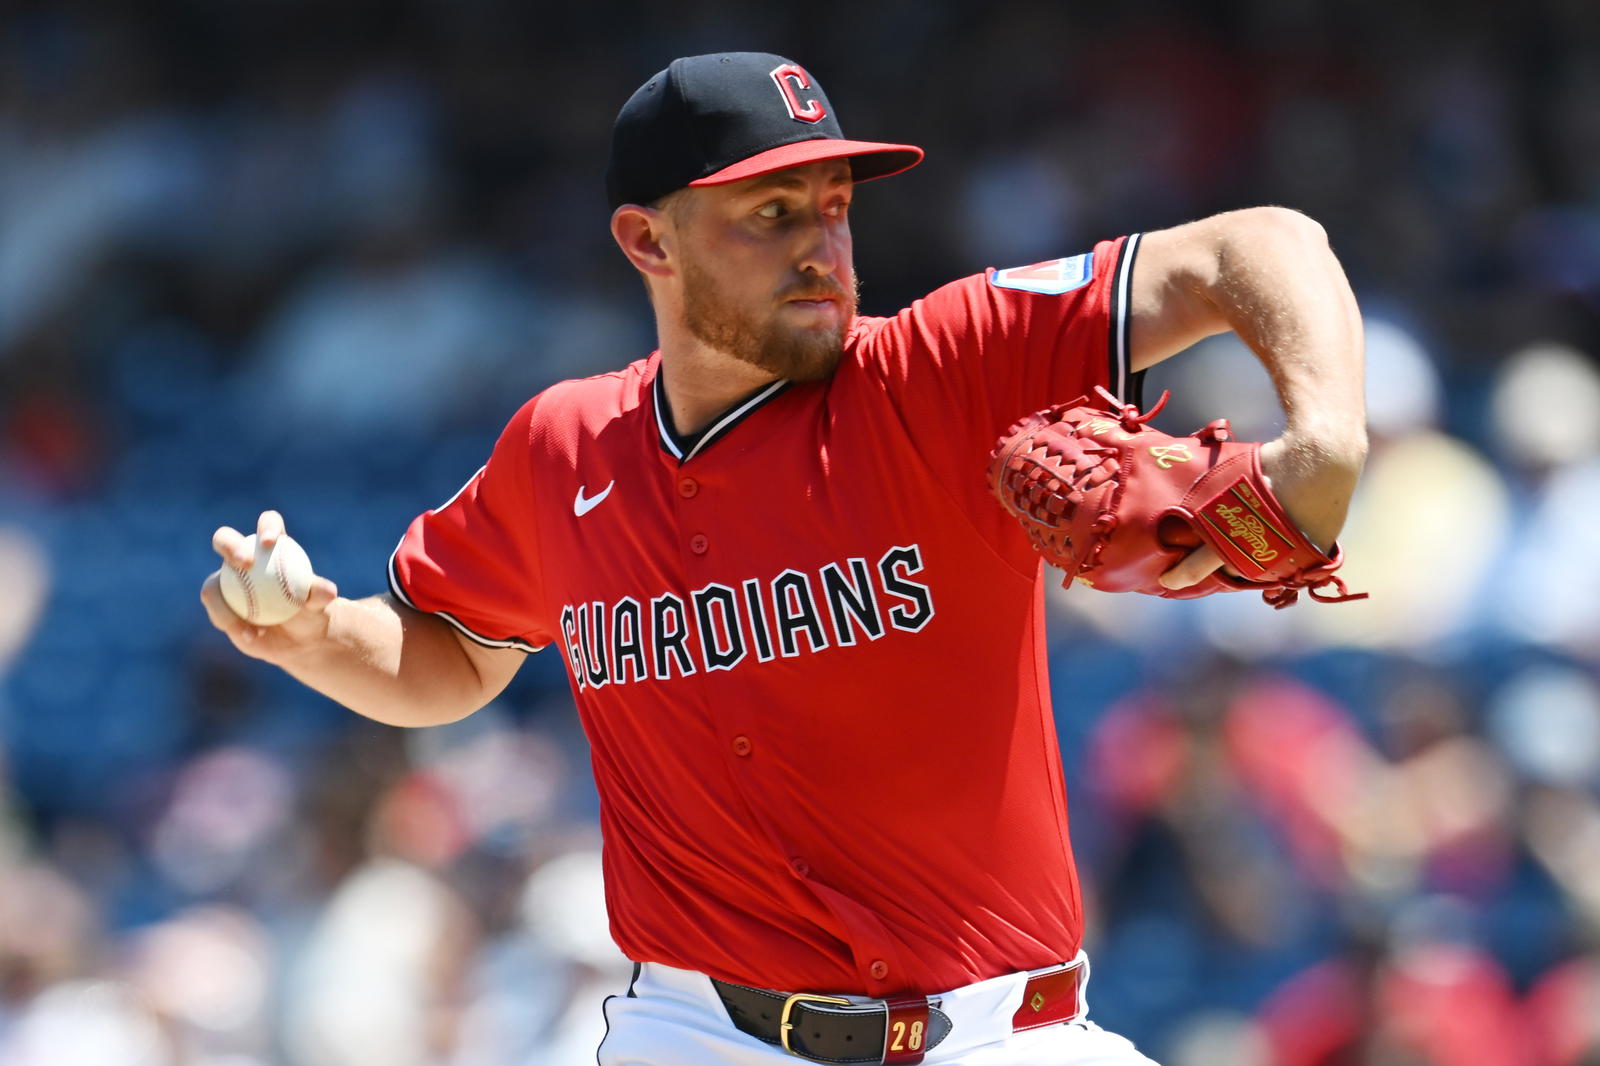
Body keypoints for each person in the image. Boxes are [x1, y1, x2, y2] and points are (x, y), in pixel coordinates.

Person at [200, 52, 1367, 1066]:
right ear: (646, 239)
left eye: (834, 205)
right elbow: (445, 657)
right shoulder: (561, 448)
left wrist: (1325, 438)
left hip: (998, 1030)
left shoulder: (939, 368)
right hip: (699, 1031)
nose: (822, 245)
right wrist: (310, 631)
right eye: (771, 213)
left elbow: (1257, 243)